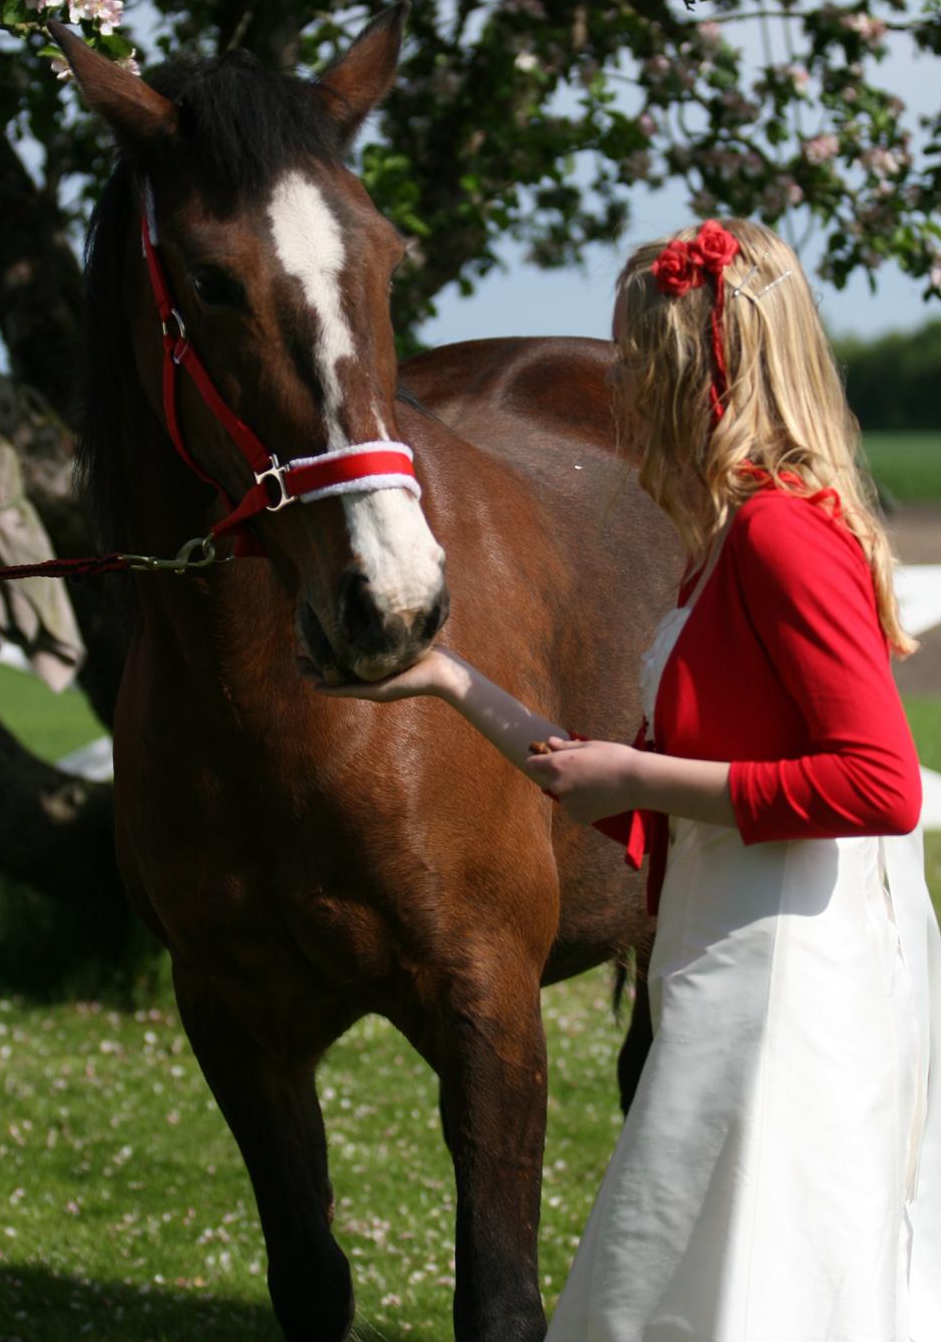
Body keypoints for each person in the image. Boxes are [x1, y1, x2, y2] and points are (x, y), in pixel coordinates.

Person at [306, 217, 941, 1342]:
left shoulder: (780, 538)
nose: (624, 387)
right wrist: (447, 681)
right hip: (722, 942)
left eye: (640, 359)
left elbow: (879, 784)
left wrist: (645, 770)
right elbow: (613, 781)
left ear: (706, 370)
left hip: (781, 973)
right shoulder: (728, 535)